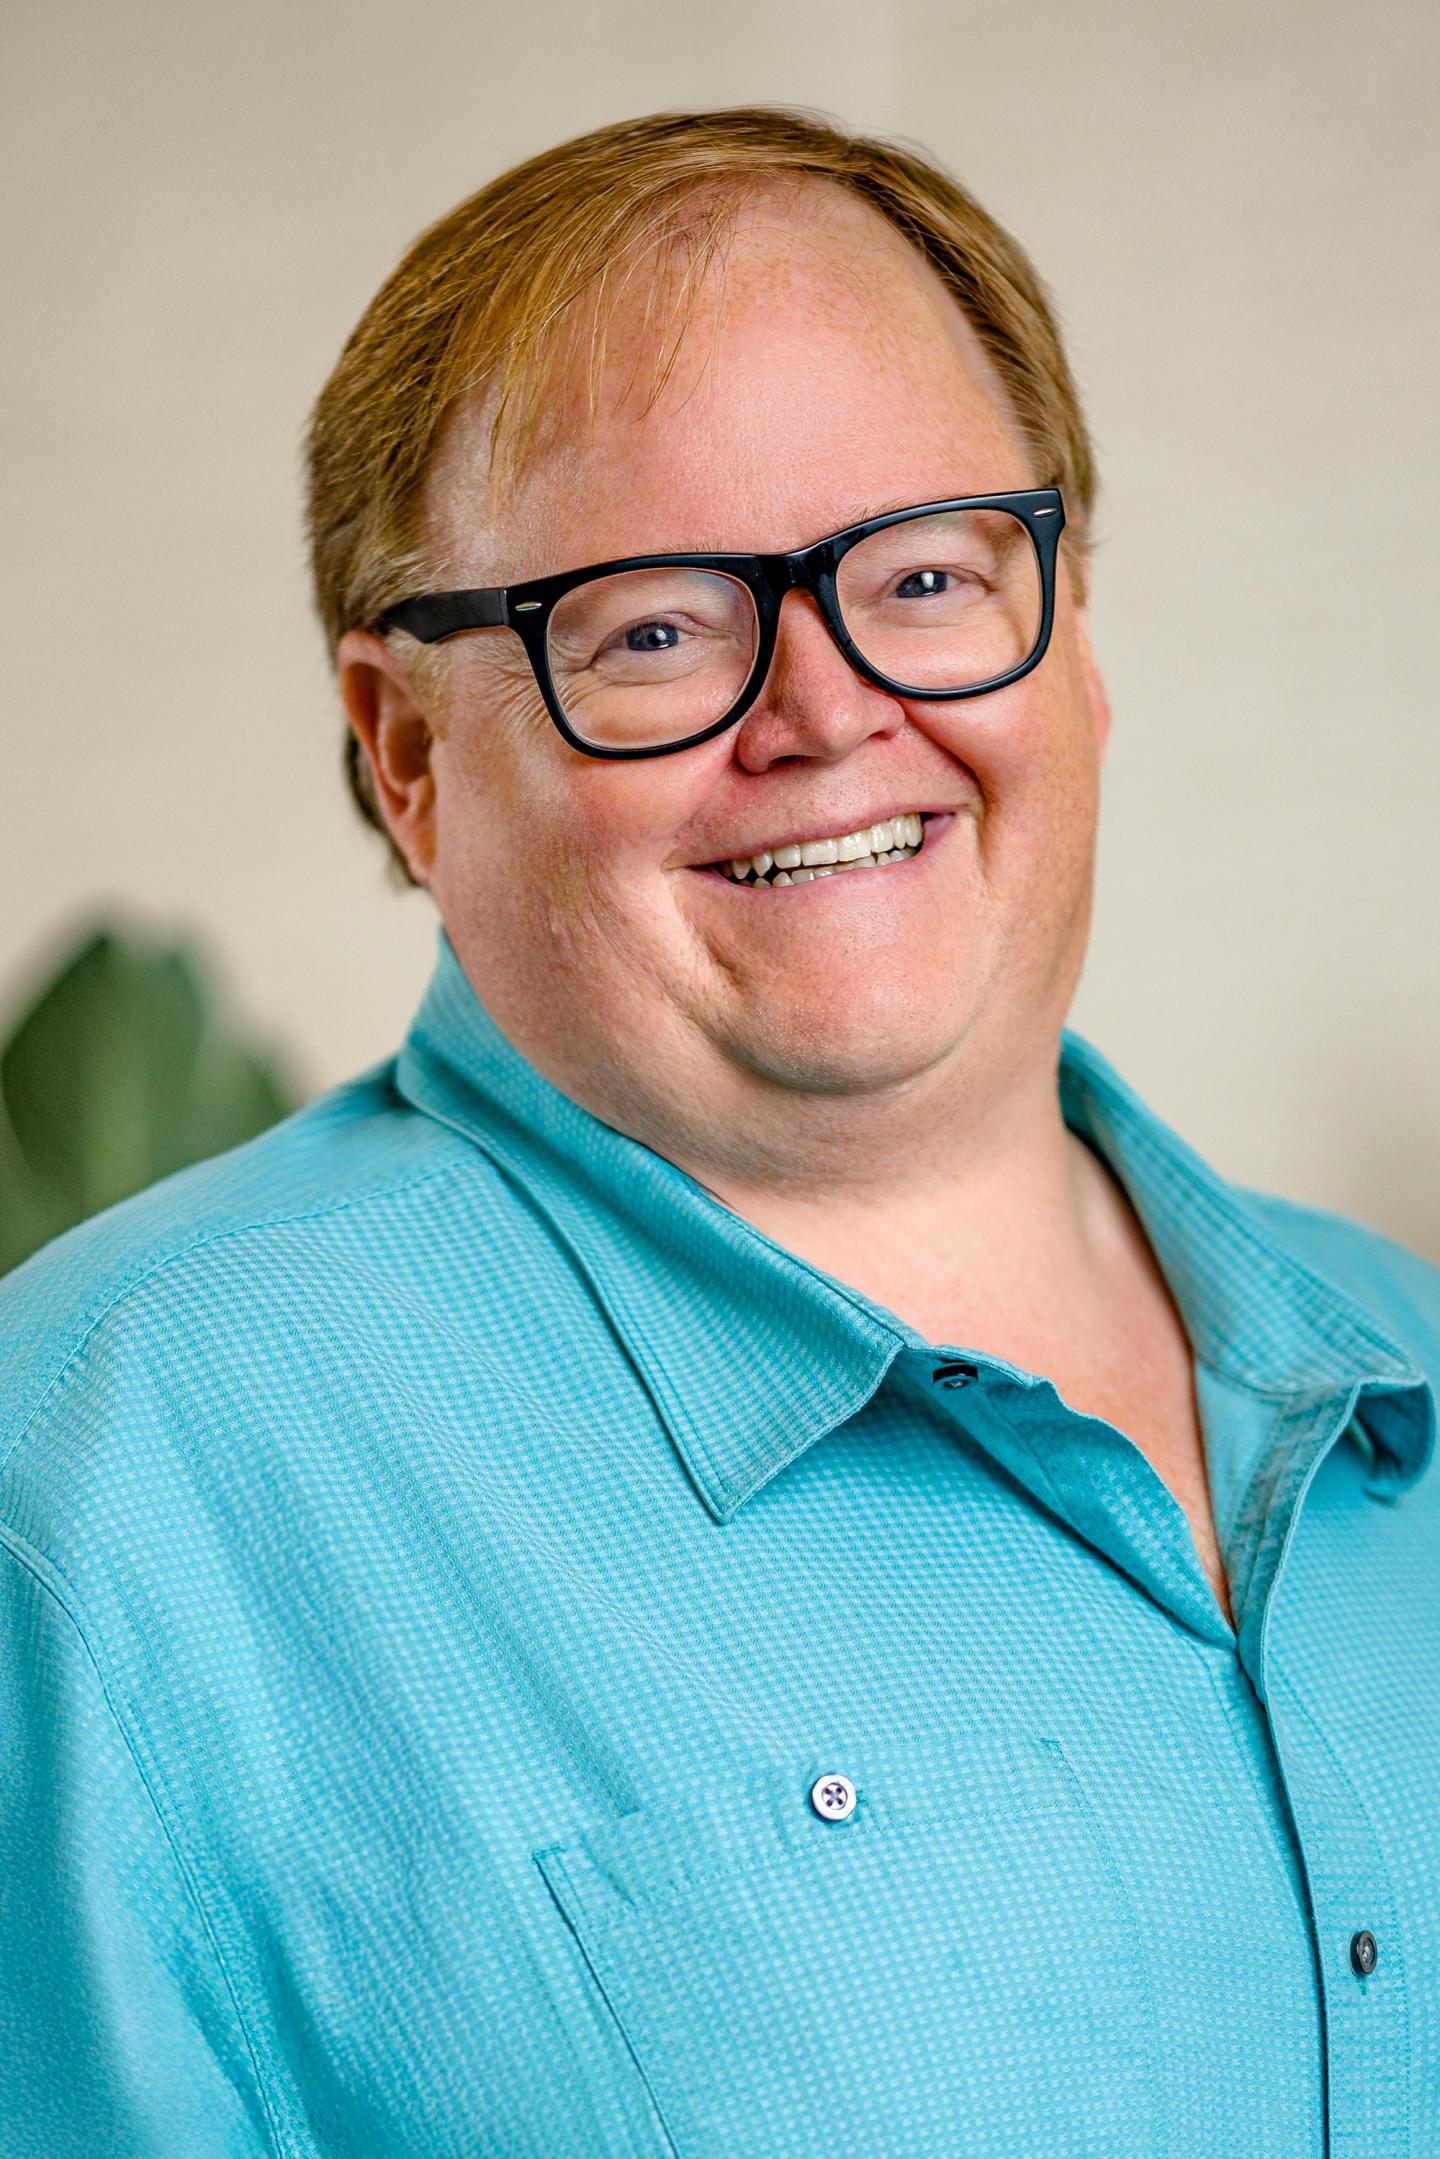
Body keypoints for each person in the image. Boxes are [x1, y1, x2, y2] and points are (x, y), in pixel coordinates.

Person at [1, 105, 1436, 2159]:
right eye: (656, 627)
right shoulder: (99, 1498)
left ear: (1076, 634)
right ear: (408, 754)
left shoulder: (1413, 1363)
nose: (830, 707)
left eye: (930, 575)